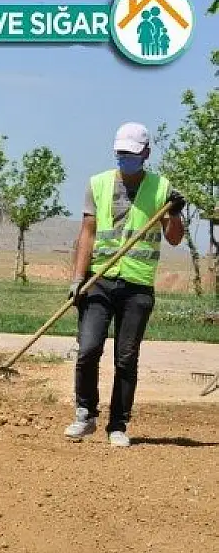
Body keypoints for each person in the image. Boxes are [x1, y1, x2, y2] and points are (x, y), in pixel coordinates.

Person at [63, 122, 185, 447]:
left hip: (138, 288)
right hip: (99, 280)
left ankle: (118, 424)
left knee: (126, 358)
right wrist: (78, 278)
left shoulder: (161, 189)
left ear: (145, 153)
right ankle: (85, 413)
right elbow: (87, 233)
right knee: (88, 349)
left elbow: (174, 239)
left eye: (131, 154)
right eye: (120, 153)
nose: (124, 158)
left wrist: (175, 214)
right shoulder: (98, 184)